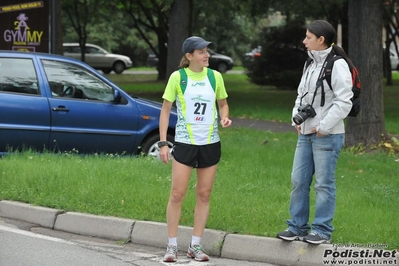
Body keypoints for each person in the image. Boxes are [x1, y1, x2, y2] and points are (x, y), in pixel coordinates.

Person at [276, 20, 354, 245]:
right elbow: (301, 96)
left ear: (321, 40)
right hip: (305, 133)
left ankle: (322, 231)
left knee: (323, 184)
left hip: (327, 135)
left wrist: (324, 126)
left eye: (308, 37)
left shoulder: (337, 65)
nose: (304, 41)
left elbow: (344, 101)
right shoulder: (309, 63)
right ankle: (297, 227)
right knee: (298, 181)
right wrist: (296, 118)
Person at [158, 36, 232, 262]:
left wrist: (224, 117)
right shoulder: (177, 78)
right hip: (184, 143)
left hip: (209, 143)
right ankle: (171, 246)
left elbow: (223, 103)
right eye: (201, 52)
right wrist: (163, 143)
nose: (206, 55)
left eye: (207, 50)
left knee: (204, 193)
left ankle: (195, 246)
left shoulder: (215, 76)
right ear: (189, 56)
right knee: (177, 194)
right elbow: (165, 110)